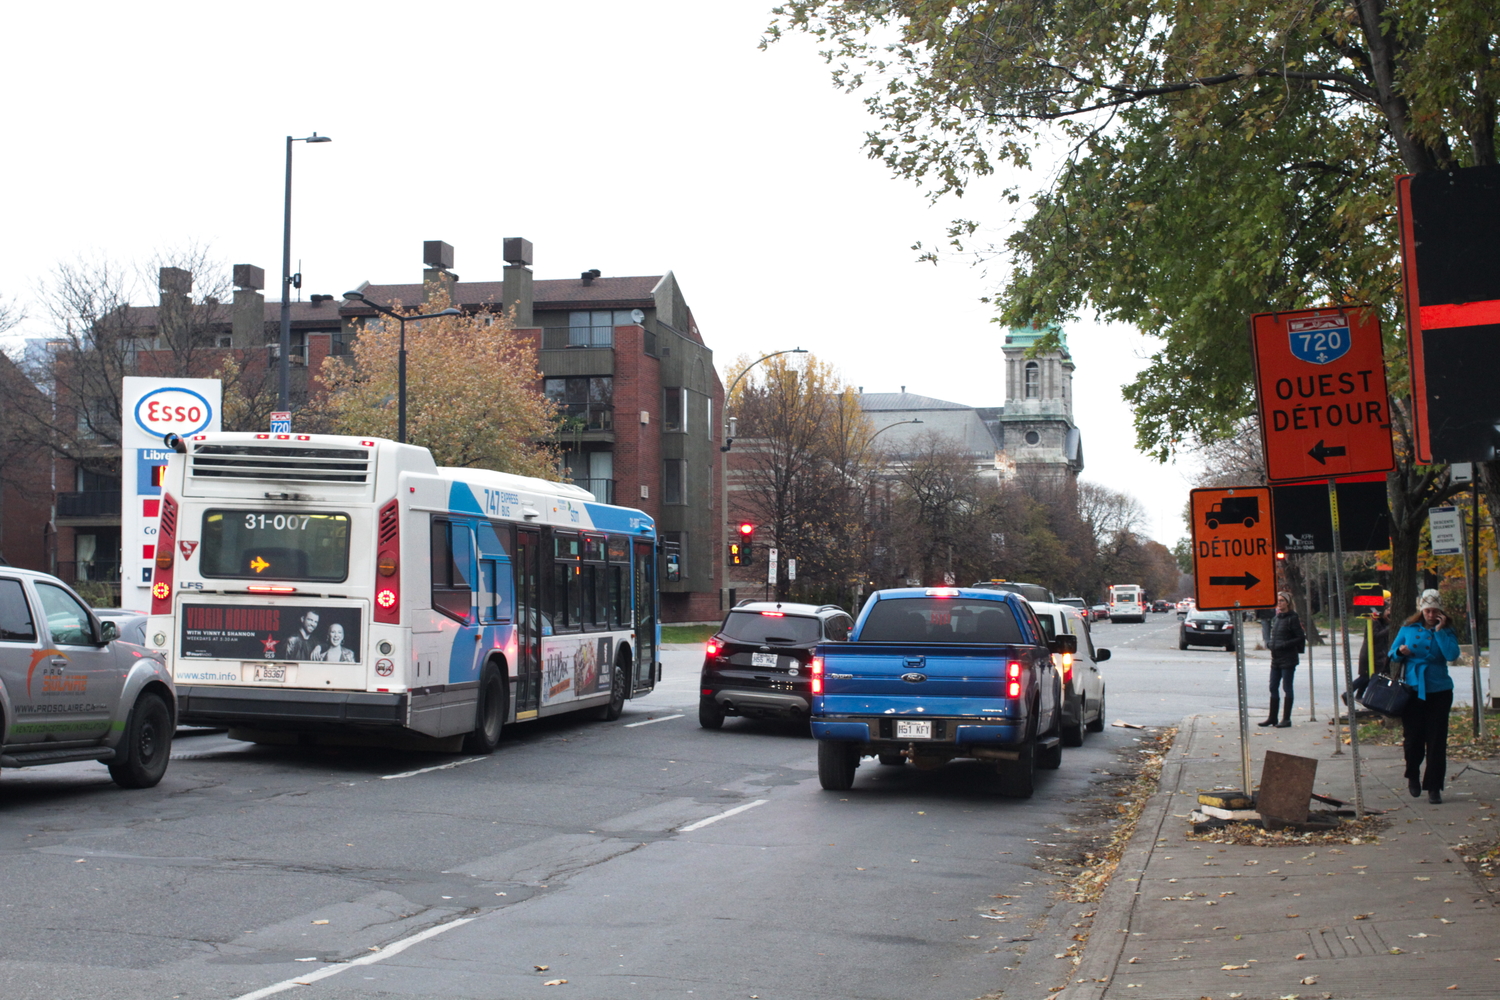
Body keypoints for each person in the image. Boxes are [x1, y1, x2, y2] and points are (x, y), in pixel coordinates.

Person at [1388, 589, 1459, 804]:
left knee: (1437, 740)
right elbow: (1392, 653)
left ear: (1441, 612)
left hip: (1439, 690)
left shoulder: (1446, 630)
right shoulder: (1408, 628)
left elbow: (1452, 655)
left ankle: (1434, 786)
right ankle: (1412, 774)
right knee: (1413, 738)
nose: (1430, 614)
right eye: (1427, 611)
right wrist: (1401, 652)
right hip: (1413, 689)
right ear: (1421, 610)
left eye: (1434, 611)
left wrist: (1440, 631)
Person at [1260, 592, 1305, 728]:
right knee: (1273, 687)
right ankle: (1272, 717)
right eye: (1278, 601)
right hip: (1276, 658)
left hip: (1288, 658)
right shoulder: (1277, 618)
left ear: (1287, 602)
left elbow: (1300, 637)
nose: (1279, 603)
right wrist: (1270, 644)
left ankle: (1286, 719)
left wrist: (1283, 645)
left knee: (1287, 687)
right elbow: (1274, 635)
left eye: (1282, 601)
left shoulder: (1293, 618)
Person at [1348, 603, 1390, 705]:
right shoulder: (1374, 621)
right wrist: (1389, 628)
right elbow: (1375, 637)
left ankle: (1359, 696)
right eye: (1388, 610)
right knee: (1366, 676)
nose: (1390, 612)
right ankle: (1349, 694)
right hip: (1370, 655)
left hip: (1377, 654)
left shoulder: (1382, 622)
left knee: (1369, 676)